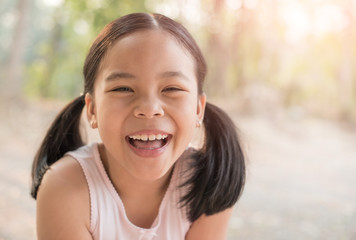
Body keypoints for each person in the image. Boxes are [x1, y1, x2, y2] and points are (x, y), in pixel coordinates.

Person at [30, 13, 246, 240]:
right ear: (92, 110)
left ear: (198, 110)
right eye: (123, 89)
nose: (149, 108)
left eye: (172, 88)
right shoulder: (64, 188)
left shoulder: (209, 181)